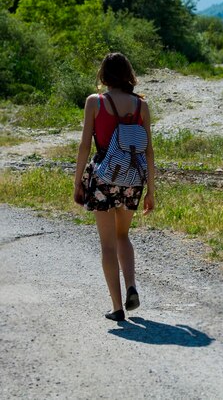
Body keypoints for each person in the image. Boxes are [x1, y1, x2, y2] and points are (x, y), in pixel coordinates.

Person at [73, 52, 155, 321]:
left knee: (107, 244)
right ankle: (132, 285)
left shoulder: (95, 102)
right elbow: (149, 151)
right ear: (128, 74)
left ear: (104, 75)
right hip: (132, 178)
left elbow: (85, 145)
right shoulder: (141, 105)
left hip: (103, 179)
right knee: (123, 236)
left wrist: (78, 182)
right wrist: (151, 190)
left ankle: (118, 308)